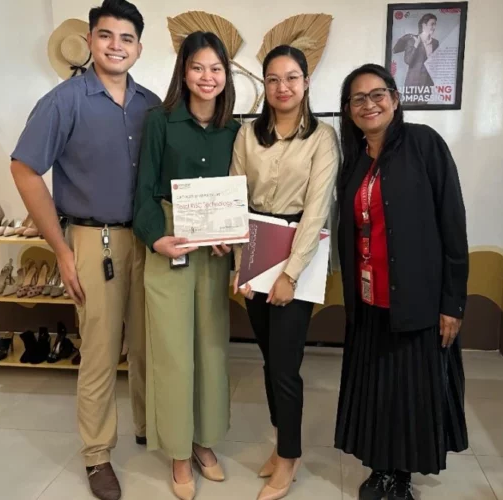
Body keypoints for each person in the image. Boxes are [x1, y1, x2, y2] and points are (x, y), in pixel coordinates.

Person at [10, 1, 160, 499]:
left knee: (146, 341)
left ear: (139, 46)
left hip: (148, 239)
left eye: (127, 37)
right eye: (106, 35)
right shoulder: (64, 100)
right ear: (92, 41)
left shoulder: (151, 104)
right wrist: (61, 248)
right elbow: (25, 169)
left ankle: (147, 425)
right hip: (94, 241)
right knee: (99, 349)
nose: (116, 45)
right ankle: (97, 455)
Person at [333, 63, 469, 500]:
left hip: (417, 300)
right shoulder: (353, 160)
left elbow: (453, 225)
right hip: (369, 301)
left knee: (409, 391)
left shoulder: (424, 144)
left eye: (378, 94)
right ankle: (380, 468)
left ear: (394, 99)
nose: (369, 104)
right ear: (349, 111)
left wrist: (453, 302)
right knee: (376, 391)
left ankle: (402, 476)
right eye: (358, 99)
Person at [133, 31, 239, 500]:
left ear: (226, 75)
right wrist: (156, 237)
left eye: (216, 68)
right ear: (184, 71)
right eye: (198, 67)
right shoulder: (160, 120)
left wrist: (231, 241)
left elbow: (242, 195)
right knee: (174, 351)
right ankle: (178, 452)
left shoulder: (236, 130)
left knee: (211, 347)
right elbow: (144, 188)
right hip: (170, 243)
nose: (207, 77)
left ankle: (203, 441)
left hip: (214, 252)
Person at [231, 45, 339, 500]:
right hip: (256, 247)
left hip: (300, 251)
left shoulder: (323, 138)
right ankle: (280, 445)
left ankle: (290, 457)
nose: (282, 87)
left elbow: (316, 211)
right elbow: (236, 195)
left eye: (291, 78)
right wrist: (241, 260)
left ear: (307, 82)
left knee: (285, 365)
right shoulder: (248, 135)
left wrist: (290, 273)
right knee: (268, 357)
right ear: (265, 85)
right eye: (273, 79)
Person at [394, 13, 439, 95]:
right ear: (424, 25)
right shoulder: (413, 40)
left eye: (435, 24)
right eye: (432, 24)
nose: (434, 27)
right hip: (413, 83)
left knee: (424, 107)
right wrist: (416, 45)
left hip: (427, 85)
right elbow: (408, 61)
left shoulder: (435, 43)